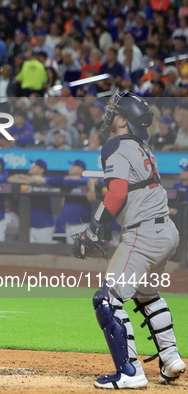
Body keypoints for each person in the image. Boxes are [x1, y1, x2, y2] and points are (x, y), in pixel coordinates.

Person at [73, 92, 185, 389]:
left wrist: (95, 227)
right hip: (166, 231)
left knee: (107, 299)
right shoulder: (141, 146)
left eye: (114, 112)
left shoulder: (115, 145)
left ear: (122, 120)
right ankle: (172, 359)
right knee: (147, 294)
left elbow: (117, 193)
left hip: (143, 232)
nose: (109, 116)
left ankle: (130, 372)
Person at [46, 159, 97, 245]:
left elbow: (92, 180)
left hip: (82, 224)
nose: (71, 168)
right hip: (69, 224)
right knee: (72, 251)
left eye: (74, 166)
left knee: (82, 252)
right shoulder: (66, 180)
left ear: (80, 169)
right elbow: (50, 181)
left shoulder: (85, 180)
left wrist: (92, 189)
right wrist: (68, 178)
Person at [8, 159, 54, 243]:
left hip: (44, 225)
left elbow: (39, 180)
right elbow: (11, 179)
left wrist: (23, 178)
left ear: (41, 169)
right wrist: (25, 179)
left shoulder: (46, 180)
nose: (31, 167)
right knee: (30, 254)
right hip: (29, 225)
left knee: (44, 254)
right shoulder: (27, 180)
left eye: (34, 166)